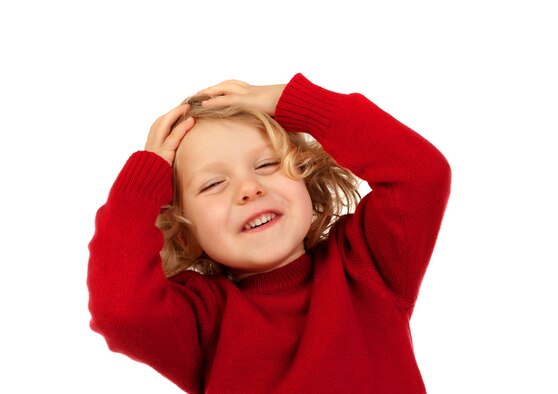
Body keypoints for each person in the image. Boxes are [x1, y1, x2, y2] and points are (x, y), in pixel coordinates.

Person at [87, 73, 451, 393]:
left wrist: (296, 104)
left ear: (306, 175)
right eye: (213, 184)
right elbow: (121, 312)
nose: (249, 188)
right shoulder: (203, 319)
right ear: (184, 229)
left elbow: (421, 175)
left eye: (267, 164)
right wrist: (143, 179)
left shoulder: (366, 265)